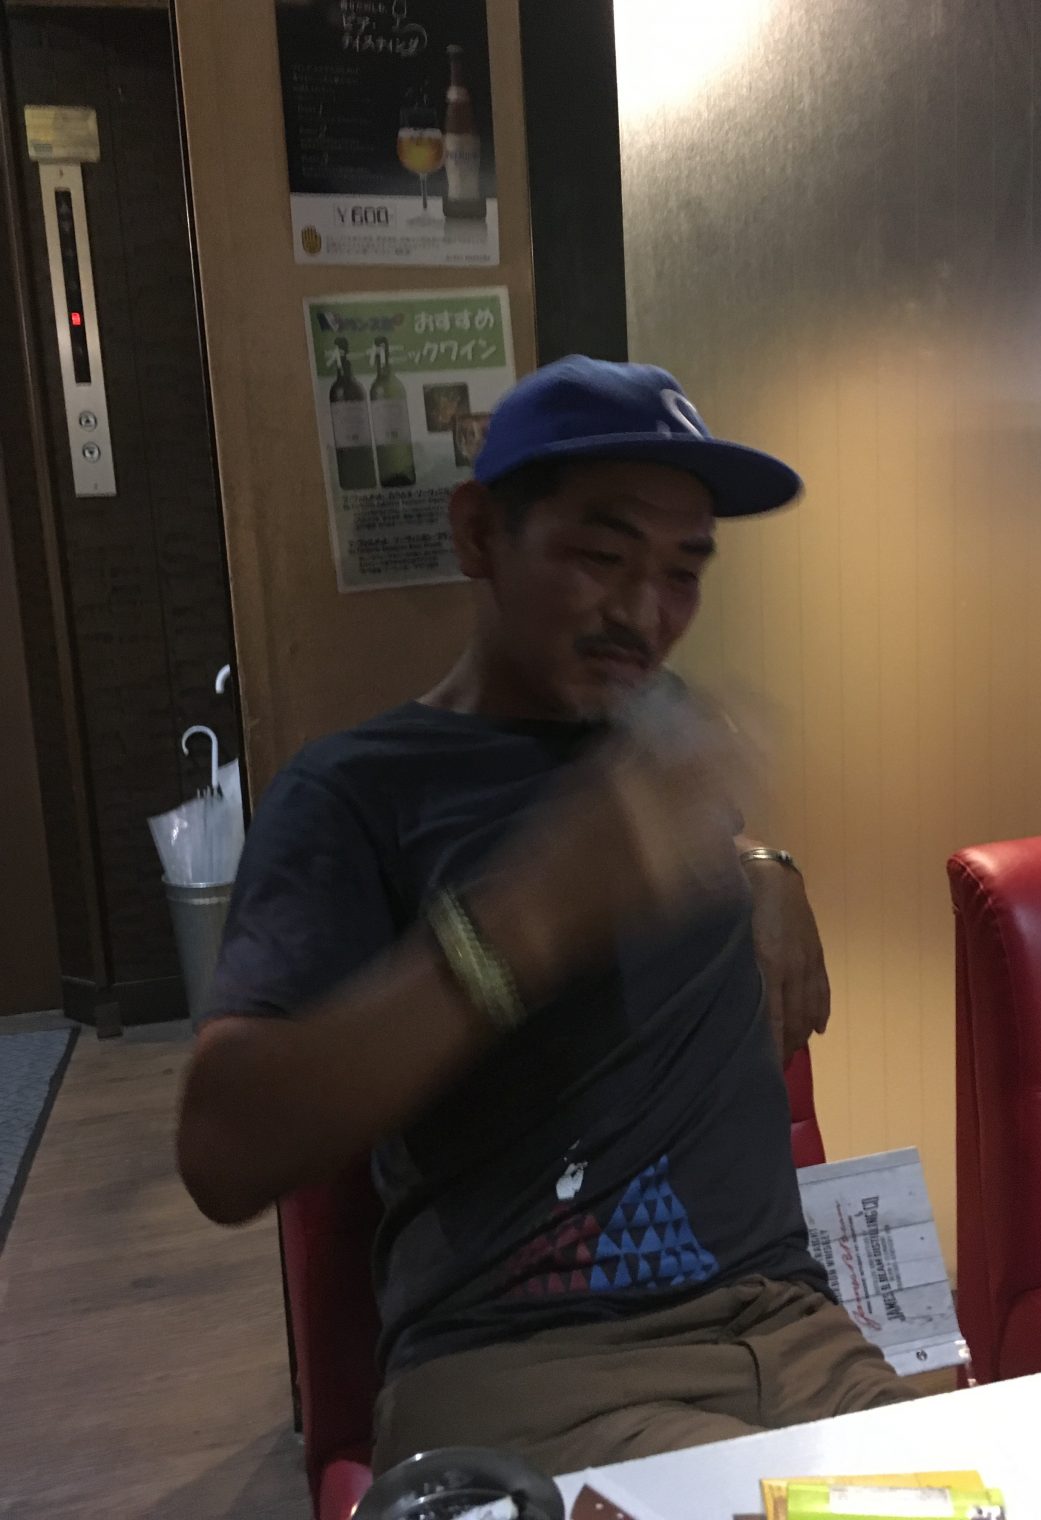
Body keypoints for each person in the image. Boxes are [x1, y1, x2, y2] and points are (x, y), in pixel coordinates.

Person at [177, 356, 907, 1480]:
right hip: (531, 1366)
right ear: (480, 534)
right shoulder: (356, 792)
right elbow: (223, 1153)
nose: (645, 614)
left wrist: (767, 864)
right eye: (601, 557)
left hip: (796, 1334)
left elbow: (677, 846)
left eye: (682, 571)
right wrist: (531, 913)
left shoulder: (658, 728)